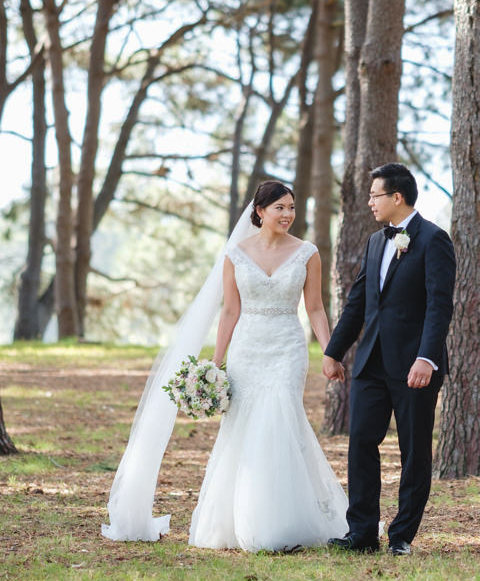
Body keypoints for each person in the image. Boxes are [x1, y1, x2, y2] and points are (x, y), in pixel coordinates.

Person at [102, 181, 348, 551]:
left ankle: (285, 519)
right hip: (247, 349)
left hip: (286, 347)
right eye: (279, 207)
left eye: (292, 208)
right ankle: (244, 520)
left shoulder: (307, 253)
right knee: (244, 427)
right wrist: (215, 364)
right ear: (260, 212)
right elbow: (230, 310)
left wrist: (330, 351)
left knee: (281, 417)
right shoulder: (236, 253)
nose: (287, 215)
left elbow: (314, 308)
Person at [322, 163, 456, 556]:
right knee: (362, 442)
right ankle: (362, 533)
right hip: (370, 364)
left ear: (397, 197)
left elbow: (439, 306)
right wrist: (334, 350)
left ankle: (400, 535)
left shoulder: (434, 240)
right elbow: (358, 301)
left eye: (374, 195)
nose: (369, 202)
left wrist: (427, 358)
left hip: (415, 367)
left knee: (414, 450)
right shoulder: (375, 241)